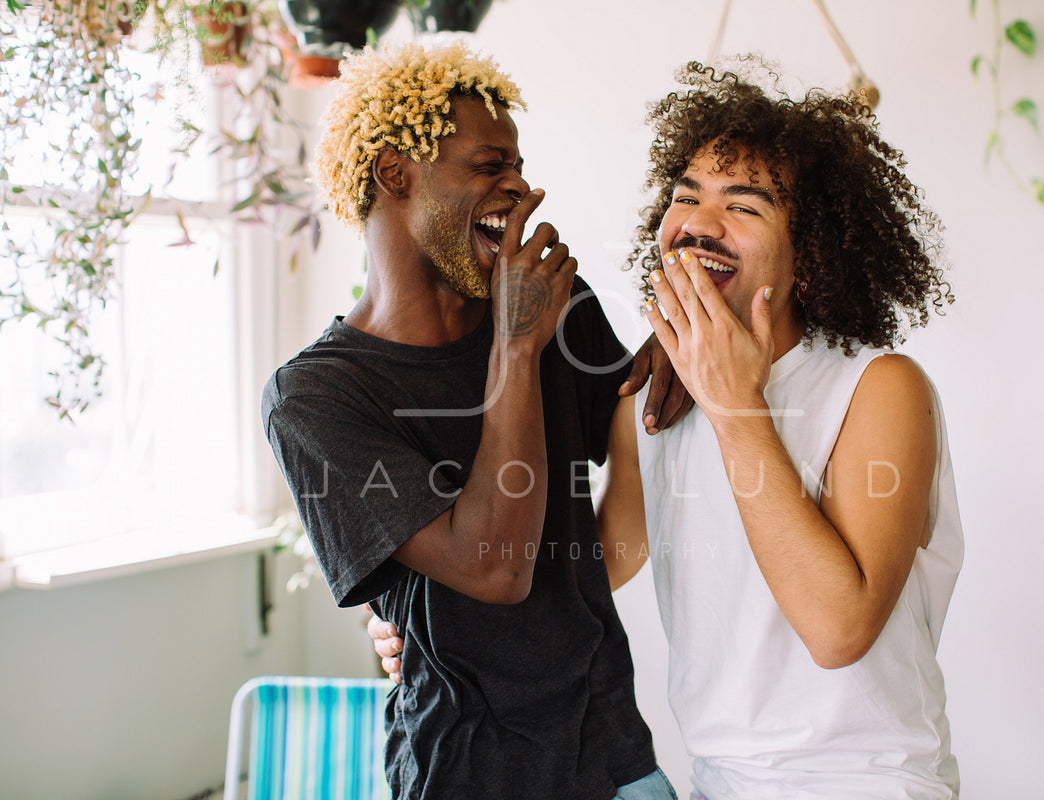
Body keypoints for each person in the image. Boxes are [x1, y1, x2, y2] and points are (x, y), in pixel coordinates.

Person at [371, 58, 964, 800]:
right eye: (687, 197)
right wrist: (428, 628)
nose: (698, 224)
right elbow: (594, 564)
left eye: (743, 207)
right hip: (715, 780)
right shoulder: (653, 399)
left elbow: (838, 629)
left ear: (808, 251)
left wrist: (733, 403)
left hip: (869, 782)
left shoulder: (879, 387)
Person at [263, 41, 682, 800]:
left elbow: (647, 439)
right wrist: (515, 348)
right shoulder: (317, 396)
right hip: (466, 774)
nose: (521, 189)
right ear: (396, 174)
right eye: (491, 166)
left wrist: (676, 347)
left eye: (519, 166)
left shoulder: (556, 304)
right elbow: (495, 567)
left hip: (618, 762)